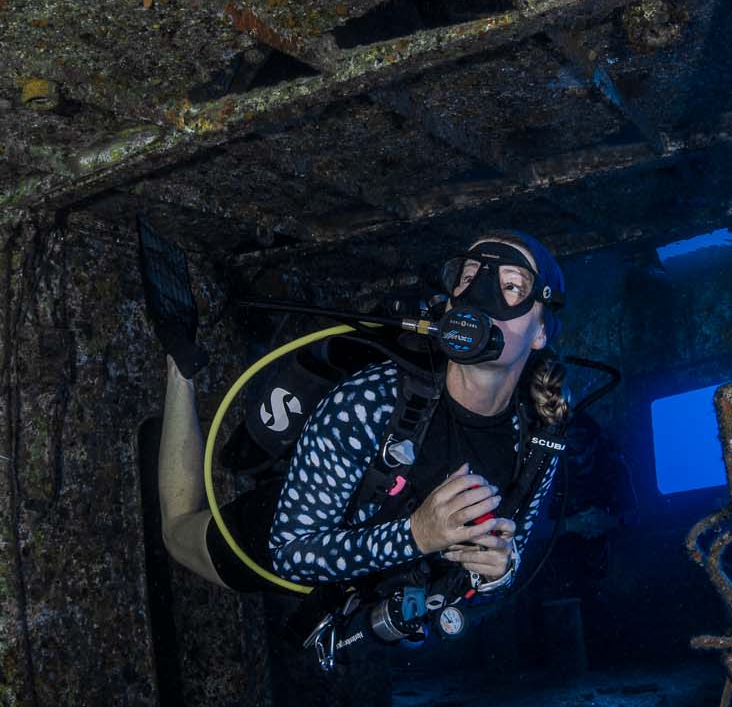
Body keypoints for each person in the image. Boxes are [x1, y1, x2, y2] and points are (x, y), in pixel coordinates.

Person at [143, 227, 570, 600]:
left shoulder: (537, 440)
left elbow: (503, 559)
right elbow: (289, 554)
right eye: (470, 277)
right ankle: (180, 366)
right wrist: (416, 535)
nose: (479, 299)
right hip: (281, 529)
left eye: (512, 287)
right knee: (175, 533)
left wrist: (498, 574)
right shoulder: (374, 397)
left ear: (541, 331)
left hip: (366, 597)